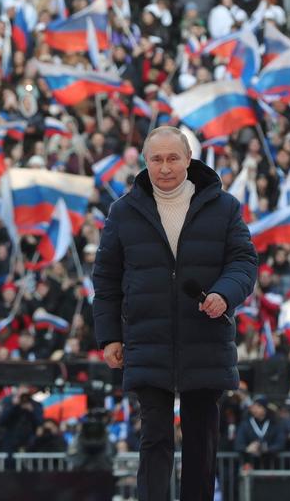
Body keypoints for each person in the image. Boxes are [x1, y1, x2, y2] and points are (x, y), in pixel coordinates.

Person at [92, 125, 259, 501]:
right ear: (145, 162)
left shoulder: (225, 207)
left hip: (206, 339)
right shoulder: (123, 212)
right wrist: (109, 338)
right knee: (155, 440)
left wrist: (224, 294)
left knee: (202, 443)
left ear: (188, 159)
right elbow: (105, 280)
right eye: (157, 159)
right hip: (147, 341)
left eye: (172, 158)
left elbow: (244, 263)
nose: (165, 167)